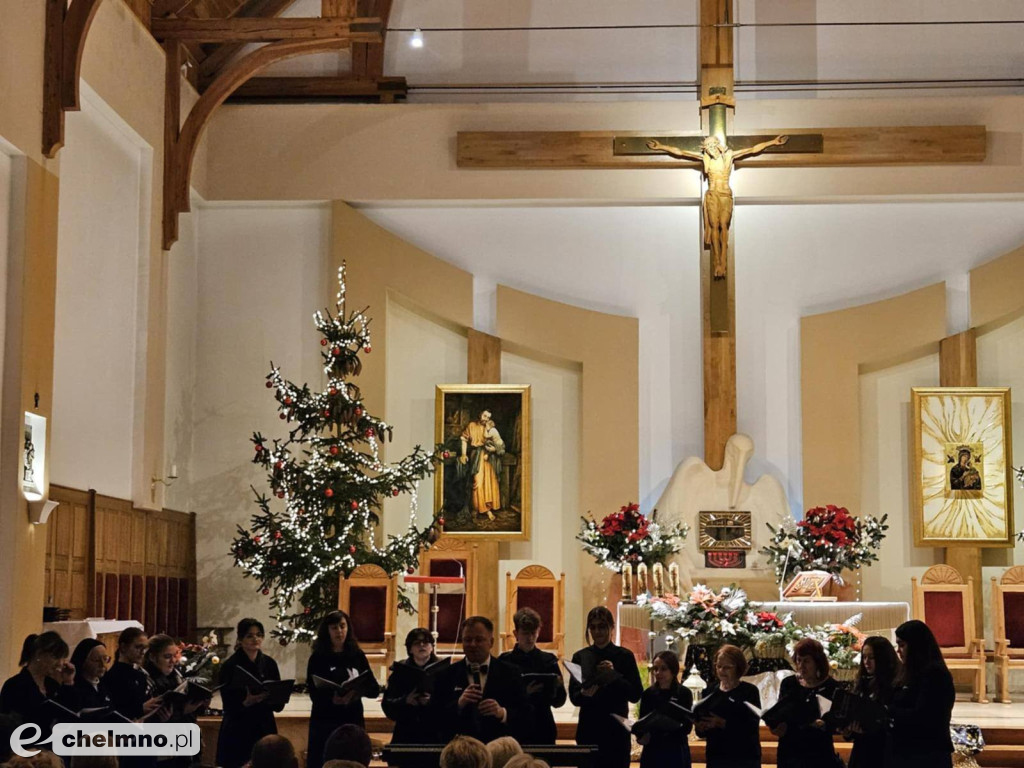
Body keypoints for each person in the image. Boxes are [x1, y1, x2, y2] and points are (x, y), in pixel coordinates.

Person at [646, 134, 788, 280]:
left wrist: (773, 142)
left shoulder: (729, 156)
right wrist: (661, 146)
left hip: (725, 194)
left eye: (713, 146)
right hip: (712, 194)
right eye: (708, 148)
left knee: (723, 225)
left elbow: (752, 150)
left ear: (718, 145)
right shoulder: (705, 159)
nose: (710, 149)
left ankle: (723, 261)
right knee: (714, 226)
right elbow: (681, 152)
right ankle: (717, 262)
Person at [435, 616, 531, 743]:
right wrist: (459, 704)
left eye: (479, 640)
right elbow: (434, 716)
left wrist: (501, 713)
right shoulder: (446, 674)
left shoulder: (511, 672)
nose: (473, 645)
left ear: (491, 642)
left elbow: (527, 714)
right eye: (467, 640)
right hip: (459, 750)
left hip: (499, 749)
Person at [569, 606, 643, 768]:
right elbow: (574, 698)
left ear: (611, 627)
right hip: (589, 728)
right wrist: (584, 693)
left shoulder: (624, 656)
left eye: (602, 626)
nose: (597, 631)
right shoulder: (580, 656)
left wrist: (614, 675)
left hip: (615, 730)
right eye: (593, 627)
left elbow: (635, 694)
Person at [305, 611, 380, 768]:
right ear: (327, 631)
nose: (339, 631)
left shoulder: (357, 655)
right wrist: (332, 699)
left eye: (342, 626)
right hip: (326, 720)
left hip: (352, 717)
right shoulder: (318, 657)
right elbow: (314, 692)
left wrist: (356, 692)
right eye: (334, 627)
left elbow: (373, 689)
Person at [216, 618, 285, 768]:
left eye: (259, 635)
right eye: (250, 635)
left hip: (263, 725)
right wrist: (246, 702)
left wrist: (273, 696)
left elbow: (278, 705)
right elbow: (228, 705)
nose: (256, 639)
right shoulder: (230, 666)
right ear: (240, 639)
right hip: (238, 729)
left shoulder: (269, 663)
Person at [890, 620, 955, 768]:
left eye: (902, 645)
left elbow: (925, 715)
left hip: (928, 753)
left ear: (916, 645)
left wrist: (889, 711)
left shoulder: (935, 674)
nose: (898, 651)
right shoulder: (909, 672)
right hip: (909, 750)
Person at [768, 638, 841, 768]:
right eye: (798, 660)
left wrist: (824, 724)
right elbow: (782, 712)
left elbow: (836, 722)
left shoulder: (831, 687)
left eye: (806, 661)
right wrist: (777, 727)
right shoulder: (789, 684)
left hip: (819, 754)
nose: (801, 665)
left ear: (817, 662)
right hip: (790, 753)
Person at [498, 607, 566, 745]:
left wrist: (557, 687)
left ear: (538, 632)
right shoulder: (504, 662)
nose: (530, 638)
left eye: (533, 633)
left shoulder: (548, 660)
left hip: (542, 724)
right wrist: (524, 694)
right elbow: (499, 698)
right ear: (516, 633)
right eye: (525, 633)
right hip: (514, 726)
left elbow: (559, 702)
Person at [0, 632, 76, 748]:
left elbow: (68, 711)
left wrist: (68, 682)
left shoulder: (52, 685)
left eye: (62, 658)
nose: (60, 663)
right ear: (39, 655)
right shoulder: (15, 685)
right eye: (56, 657)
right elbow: (10, 725)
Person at [694, 644, 761, 768]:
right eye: (719, 666)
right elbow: (701, 731)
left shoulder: (749, 691)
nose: (721, 671)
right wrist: (701, 727)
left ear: (738, 668)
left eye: (727, 667)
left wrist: (723, 723)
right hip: (716, 756)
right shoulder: (709, 691)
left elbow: (751, 726)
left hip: (743, 757)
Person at [845, 636, 900, 768]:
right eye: (864, 657)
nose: (866, 662)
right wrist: (849, 730)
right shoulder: (863, 682)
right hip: (861, 753)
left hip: (883, 754)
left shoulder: (894, 685)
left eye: (872, 657)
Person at [382, 627, 443, 744]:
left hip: (435, 731)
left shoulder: (442, 669)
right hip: (406, 730)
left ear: (432, 647)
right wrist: (405, 700)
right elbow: (387, 704)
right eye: (416, 643)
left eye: (426, 642)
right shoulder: (400, 671)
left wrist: (432, 701)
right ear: (410, 649)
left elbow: (450, 702)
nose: (422, 645)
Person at [637, 650, 692, 768]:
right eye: (655, 669)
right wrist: (641, 735)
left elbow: (687, 727)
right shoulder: (648, 694)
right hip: (653, 750)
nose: (658, 673)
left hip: (676, 750)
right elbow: (641, 723)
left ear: (673, 670)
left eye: (663, 669)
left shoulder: (683, 693)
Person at [459, 410, 504, 519]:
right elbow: (464, 439)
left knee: (488, 483)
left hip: (488, 457)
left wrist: (493, 450)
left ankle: (487, 510)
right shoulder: (471, 425)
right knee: (477, 483)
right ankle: (477, 508)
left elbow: (498, 443)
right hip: (477, 456)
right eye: (484, 416)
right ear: (480, 414)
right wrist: (464, 454)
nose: (486, 419)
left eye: (488, 417)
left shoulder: (489, 428)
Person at [68, 638, 112, 711]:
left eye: (105, 659)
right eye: (97, 659)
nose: (103, 664)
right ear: (83, 660)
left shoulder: (107, 685)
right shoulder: (73, 687)